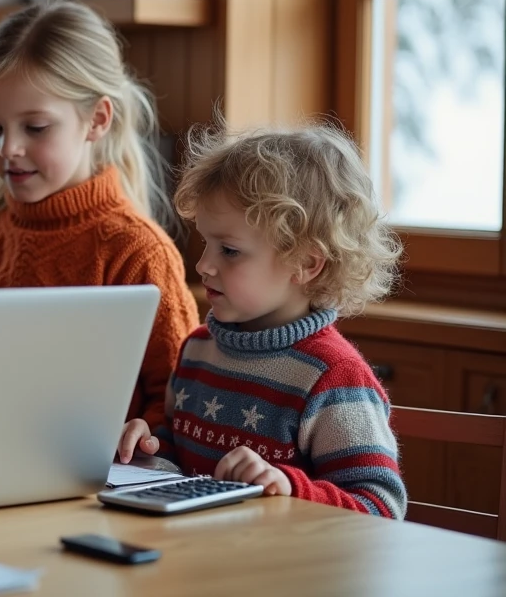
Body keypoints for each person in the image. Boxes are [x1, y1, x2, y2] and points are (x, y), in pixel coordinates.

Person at [117, 124, 407, 518]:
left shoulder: (333, 378)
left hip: (286, 573)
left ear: (305, 263)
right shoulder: (198, 350)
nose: (203, 265)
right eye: (206, 243)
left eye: (230, 251)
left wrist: (288, 487)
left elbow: (382, 507)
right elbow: (176, 459)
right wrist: (147, 450)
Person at [0, 0, 198, 431]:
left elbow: (181, 399)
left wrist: (146, 436)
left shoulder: (137, 251)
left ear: (97, 120)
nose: (8, 149)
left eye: (36, 127)